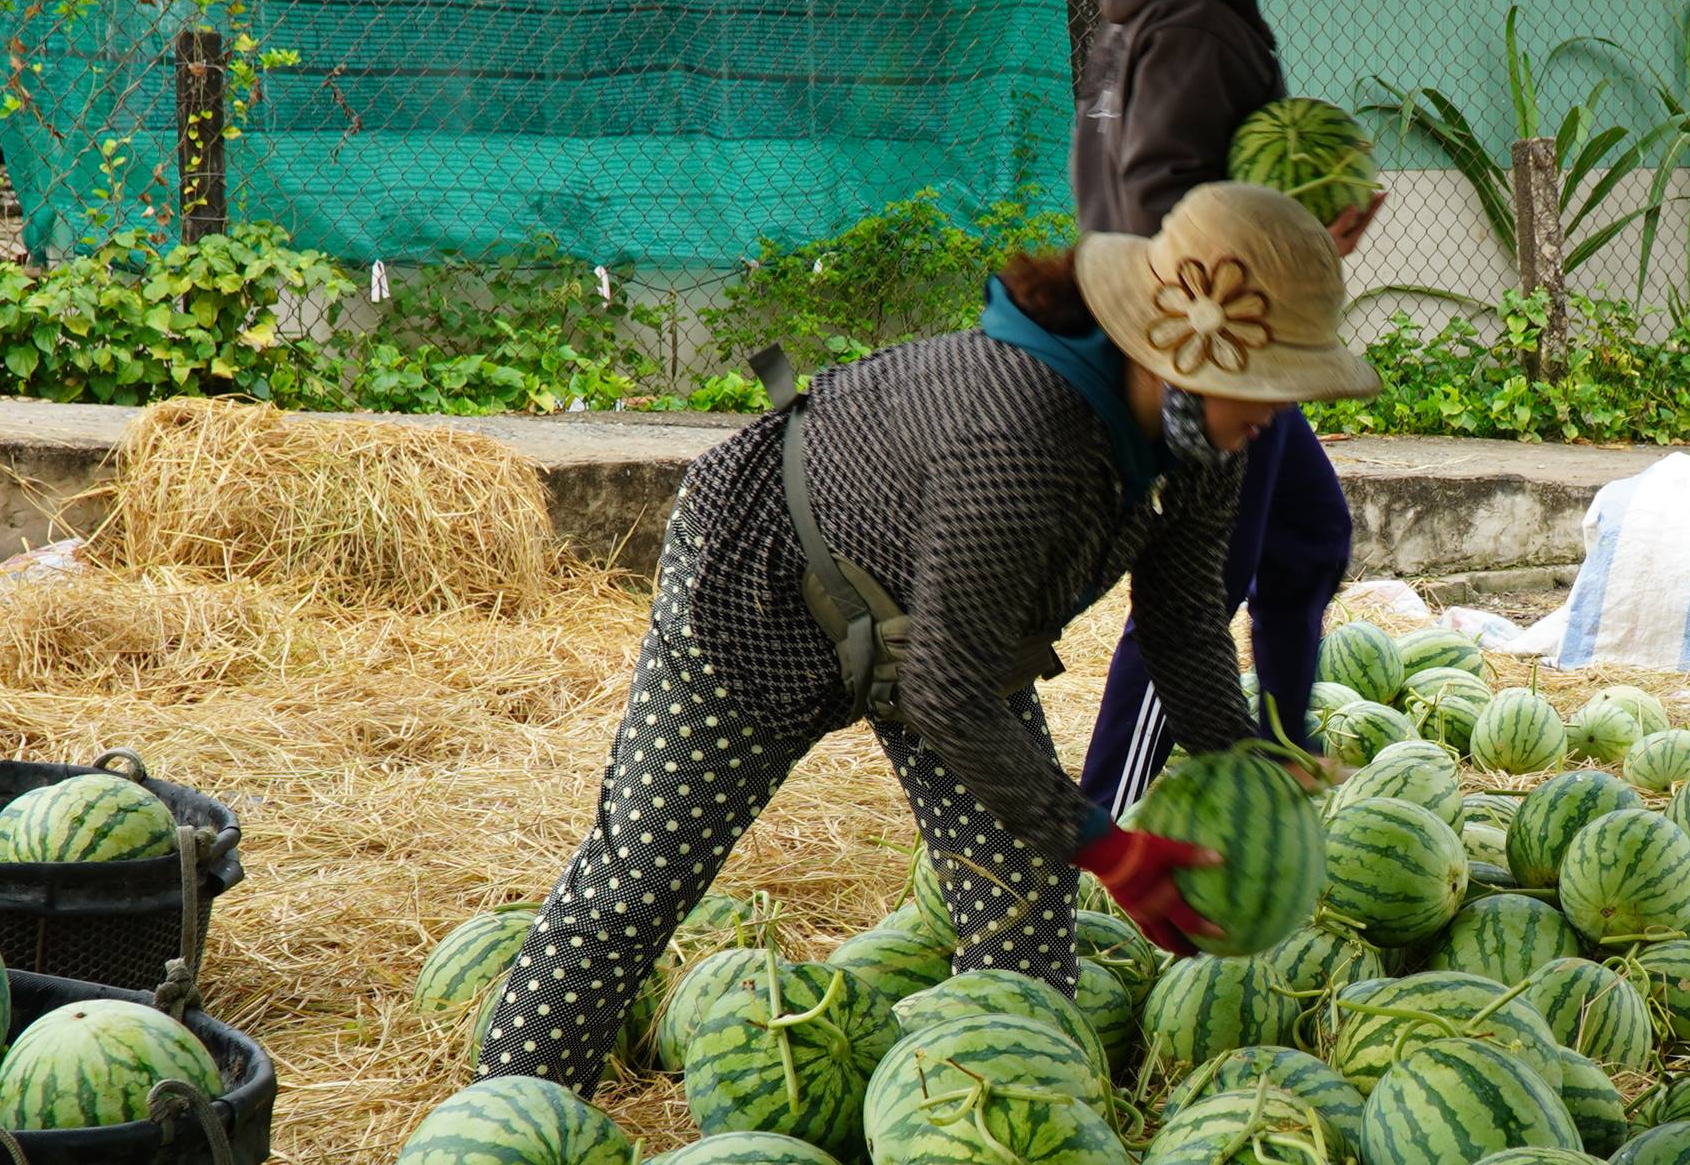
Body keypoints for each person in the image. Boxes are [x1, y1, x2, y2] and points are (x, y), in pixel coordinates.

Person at [472, 183, 1376, 1091]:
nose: (1278, 413)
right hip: (759, 586)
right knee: (644, 874)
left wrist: (1244, 758)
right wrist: (1109, 847)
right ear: (1180, 357)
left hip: (942, 625)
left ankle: (1003, 1104)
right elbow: (947, 694)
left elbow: (1182, 624)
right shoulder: (1024, 433)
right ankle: (513, 1107)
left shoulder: (1208, 445)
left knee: (1025, 882)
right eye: (1267, 385)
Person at [1073, 0, 1375, 811]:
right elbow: (1164, 202)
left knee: (1309, 537)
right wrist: (1301, 236)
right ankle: (1108, 820)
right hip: (1203, 344)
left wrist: (1297, 237)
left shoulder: (1174, 11)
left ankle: (1282, 748)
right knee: (1195, 598)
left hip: (1225, 331)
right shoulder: (1196, 25)